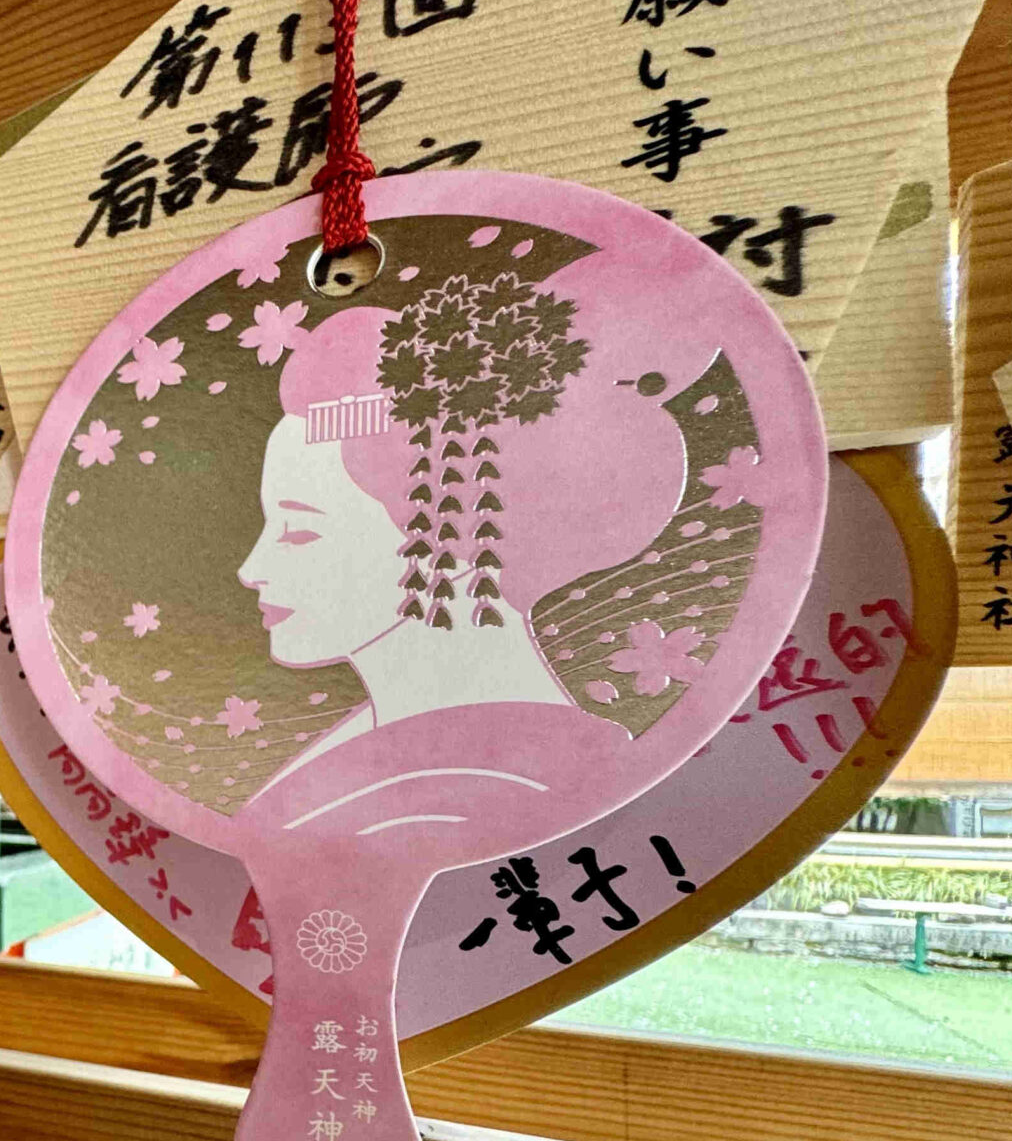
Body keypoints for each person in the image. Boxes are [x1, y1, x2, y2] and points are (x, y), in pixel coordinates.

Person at [234, 252, 709, 814]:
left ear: (450, 542)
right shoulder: (372, 752)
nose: (249, 569)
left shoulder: (513, 786)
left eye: (299, 533)